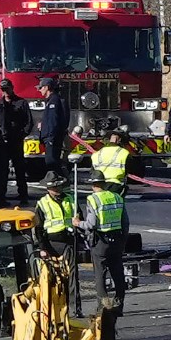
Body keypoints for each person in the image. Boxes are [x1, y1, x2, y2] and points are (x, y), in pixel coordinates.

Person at [81, 176, 128, 315]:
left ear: (94, 185)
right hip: (117, 239)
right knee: (118, 274)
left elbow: (91, 224)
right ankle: (119, 304)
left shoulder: (93, 199)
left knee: (100, 274)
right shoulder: (117, 197)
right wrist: (123, 241)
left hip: (101, 241)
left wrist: (78, 224)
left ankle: (103, 306)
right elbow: (125, 222)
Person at [0, 79, 33, 204]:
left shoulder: (21, 103)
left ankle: (23, 195)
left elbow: (29, 122)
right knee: (3, 170)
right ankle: (1, 195)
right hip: (4, 141)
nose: (6, 92)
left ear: (12, 88)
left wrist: (23, 134)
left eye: (7, 89)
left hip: (17, 140)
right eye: (3, 90)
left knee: (20, 169)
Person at [33, 175, 77, 259]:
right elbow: (38, 228)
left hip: (70, 238)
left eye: (58, 186)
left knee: (71, 266)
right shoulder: (43, 203)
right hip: (52, 241)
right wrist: (42, 248)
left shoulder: (70, 199)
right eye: (53, 187)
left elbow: (79, 217)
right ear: (48, 188)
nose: (56, 188)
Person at [36, 76, 71, 179]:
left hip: (51, 138)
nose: (39, 90)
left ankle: (61, 182)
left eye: (41, 87)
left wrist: (50, 137)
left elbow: (53, 121)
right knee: (52, 162)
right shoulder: (51, 101)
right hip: (50, 137)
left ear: (47, 87)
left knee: (51, 162)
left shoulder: (54, 101)